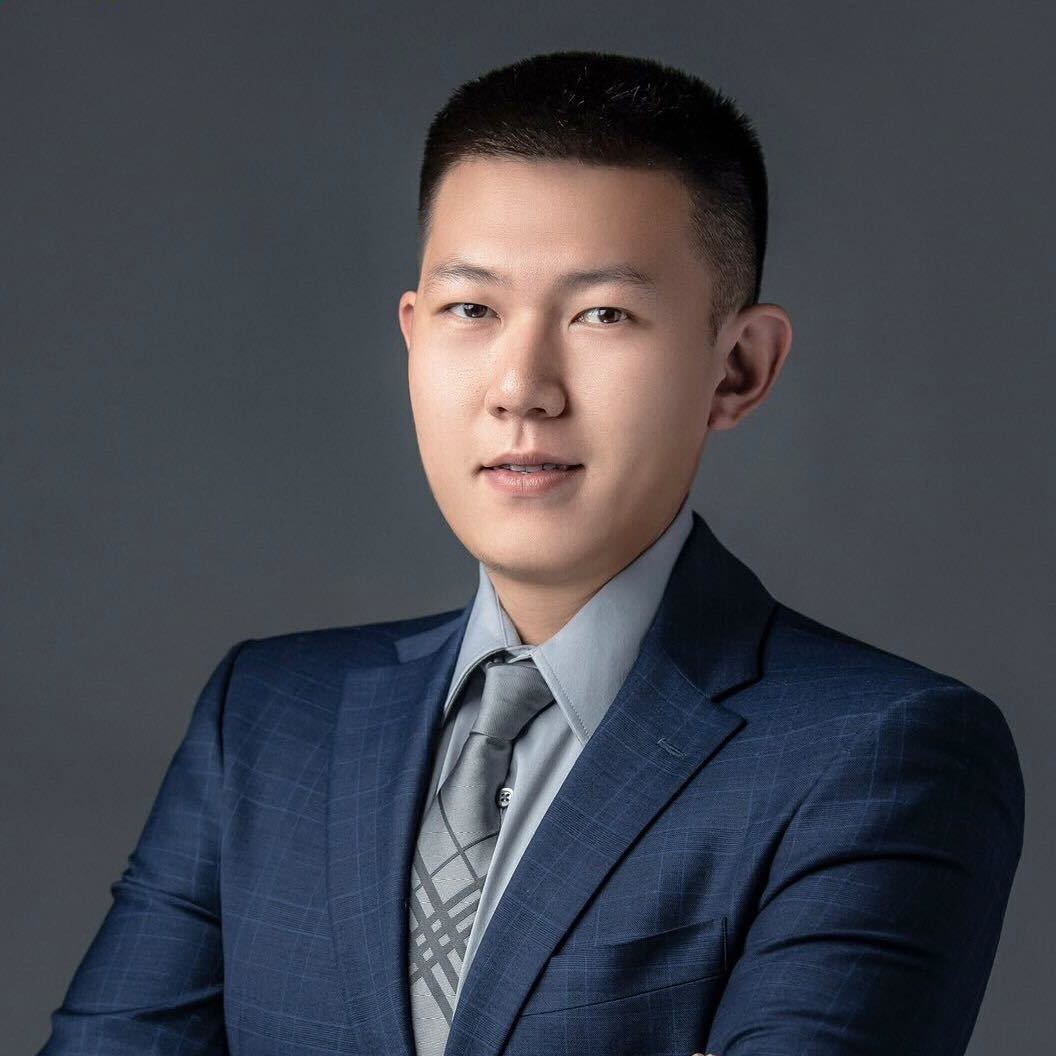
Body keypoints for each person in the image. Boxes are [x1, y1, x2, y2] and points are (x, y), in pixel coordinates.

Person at [38, 49, 1024, 1056]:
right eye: (473, 310)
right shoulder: (269, 718)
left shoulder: (882, 755)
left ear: (738, 368)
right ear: (415, 336)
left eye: (604, 314)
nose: (523, 386)